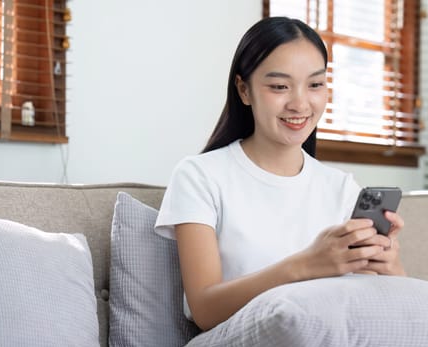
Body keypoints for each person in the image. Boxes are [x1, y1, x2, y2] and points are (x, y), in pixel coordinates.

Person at [155, 16, 406, 331]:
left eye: (315, 84)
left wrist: (390, 267)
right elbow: (205, 309)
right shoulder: (199, 176)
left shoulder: (341, 188)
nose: (300, 103)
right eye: (279, 86)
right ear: (244, 90)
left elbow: (366, 311)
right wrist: (306, 265)